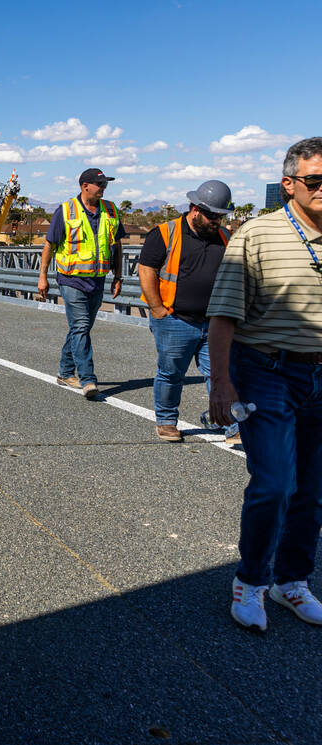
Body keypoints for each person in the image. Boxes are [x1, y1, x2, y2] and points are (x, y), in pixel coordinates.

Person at [206, 137, 322, 632]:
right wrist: (221, 385)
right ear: (290, 184)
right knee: (275, 484)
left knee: (313, 490)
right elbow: (223, 317)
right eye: (315, 181)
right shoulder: (258, 234)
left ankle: (290, 581)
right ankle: (250, 582)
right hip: (266, 371)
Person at [137, 180, 233, 442]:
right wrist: (157, 309)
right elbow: (146, 270)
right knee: (171, 373)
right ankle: (167, 421)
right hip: (175, 319)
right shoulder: (165, 233)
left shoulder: (225, 238)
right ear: (194, 209)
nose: (216, 221)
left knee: (220, 373)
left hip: (213, 322)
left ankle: (230, 425)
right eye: (211, 215)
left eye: (220, 216)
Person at [37, 167, 127, 400]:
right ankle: (88, 380)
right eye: (100, 184)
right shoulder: (66, 211)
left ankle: (65, 372)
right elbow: (49, 245)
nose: (104, 188)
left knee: (81, 328)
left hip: (97, 280)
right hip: (71, 280)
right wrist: (43, 276)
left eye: (105, 184)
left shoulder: (111, 210)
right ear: (84, 186)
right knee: (81, 325)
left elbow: (117, 246)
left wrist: (118, 276)